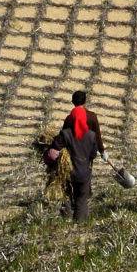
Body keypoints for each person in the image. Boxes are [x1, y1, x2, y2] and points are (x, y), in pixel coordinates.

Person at [44, 90, 106, 221]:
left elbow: (57, 144)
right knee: (82, 196)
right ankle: (80, 222)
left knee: (66, 192)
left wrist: (49, 153)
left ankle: (66, 217)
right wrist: (102, 152)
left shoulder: (67, 126)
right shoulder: (91, 132)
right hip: (84, 168)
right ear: (85, 101)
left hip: (69, 168)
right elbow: (94, 149)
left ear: (73, 102)